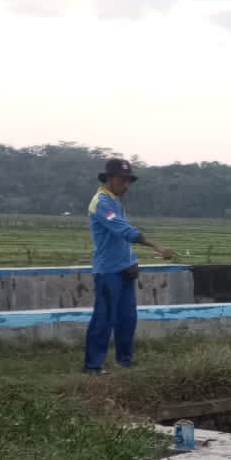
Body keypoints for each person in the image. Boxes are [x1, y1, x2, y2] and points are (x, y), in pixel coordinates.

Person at [85, 157, 175, 374]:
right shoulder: (101, 203)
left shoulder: (115, 200)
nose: (126, 186)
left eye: (128, 181)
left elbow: (121, 239)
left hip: (124, 269)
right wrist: (157, 246)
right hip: (108, 271)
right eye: (122, 180)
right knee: (103, 319)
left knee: (127, 318)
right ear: (109, 179)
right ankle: (93, 366)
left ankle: (125, 361)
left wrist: (131, 261)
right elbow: (123, 231)